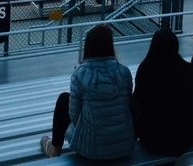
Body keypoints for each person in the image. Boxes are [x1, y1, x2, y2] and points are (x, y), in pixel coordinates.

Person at [40, 24, 135, 160]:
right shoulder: (124, 72)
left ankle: (54, 149)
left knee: (64, 100)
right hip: (124, 146)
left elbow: (74, 115)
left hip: (91, 149)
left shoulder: (80, 74)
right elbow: (127, 105)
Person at [133, 29, 193, 158]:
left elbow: (138, 100)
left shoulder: (145, 68)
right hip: (184, 138)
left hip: (153, 139)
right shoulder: (187, 69)